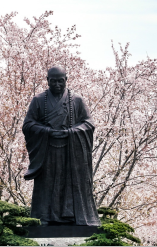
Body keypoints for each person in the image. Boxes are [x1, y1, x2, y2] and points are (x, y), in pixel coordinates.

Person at [22, 66, 100, 226]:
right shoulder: (38, 100)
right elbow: (28, 124)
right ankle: (45, 218)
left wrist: (72, 132)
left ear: (66, 79)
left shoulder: (77, 100)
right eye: (53, 81)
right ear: (47, 81)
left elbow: (89, 124)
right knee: (47, 185)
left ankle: (71, 217)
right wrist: (47, 131)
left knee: (69, 185)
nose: (57, 84)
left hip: (71, 152)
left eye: (60, 81)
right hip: (47, 151)